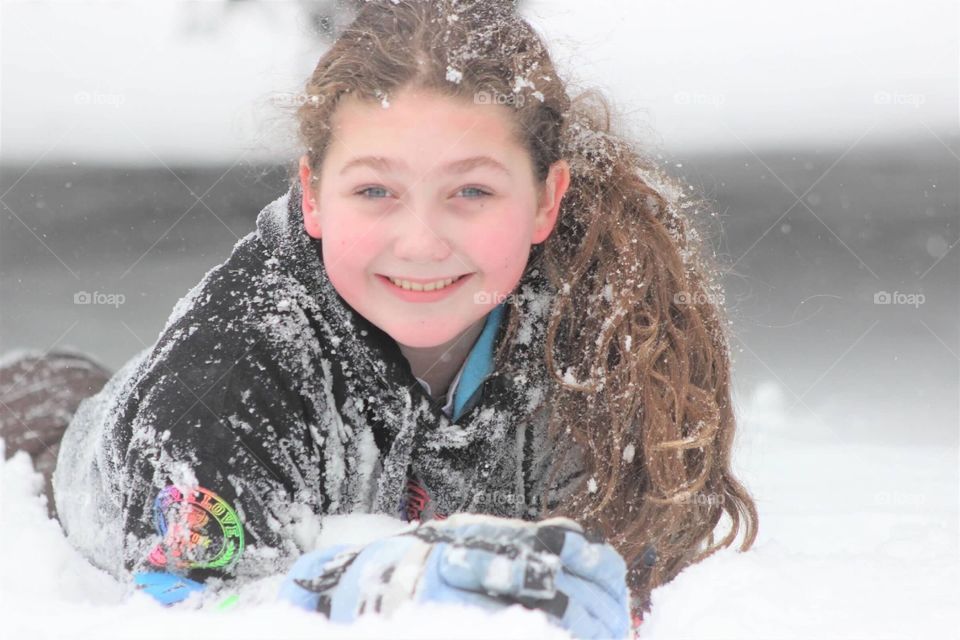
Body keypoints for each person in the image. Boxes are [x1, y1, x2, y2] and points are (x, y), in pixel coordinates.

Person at [2, 1, 759, 637]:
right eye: (375, 192)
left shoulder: (609, 325)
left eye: (471, 192)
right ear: (312, 197)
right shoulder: (228, 369)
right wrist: (356, 589)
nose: (422, 242)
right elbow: (194, 605)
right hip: (56, 433)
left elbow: (644, 560)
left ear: (547, 201)